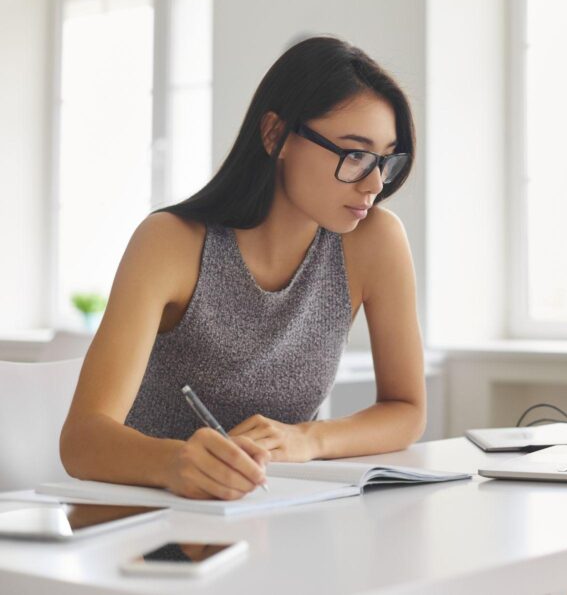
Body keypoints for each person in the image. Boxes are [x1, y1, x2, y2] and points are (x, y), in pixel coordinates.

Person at [60, 36, 426, 500]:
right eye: (354, 154)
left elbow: (406, 409)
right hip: (149, 519)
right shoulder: (170, 242)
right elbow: (81, 440)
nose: (374, 183)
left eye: (384, 160)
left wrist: (307, 439)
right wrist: (177, 462)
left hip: (275, 515)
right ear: (276, 135)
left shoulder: (375, 241)